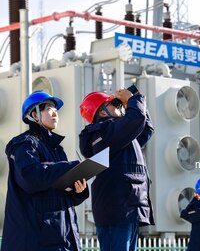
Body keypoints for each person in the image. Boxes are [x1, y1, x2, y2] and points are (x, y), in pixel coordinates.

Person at [1, 91, 89, 251]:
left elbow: (59, 191)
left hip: (62, 239)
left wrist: (77, 191)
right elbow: (31, 177)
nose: (55, 112)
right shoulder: (24, 144)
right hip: (35, 241)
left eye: (56, 109)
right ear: (34, 115)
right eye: (48, 108)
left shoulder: (57, 150)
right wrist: (71, 167)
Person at [78, 88, 154, 251]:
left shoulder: (119, 135)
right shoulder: (103, 133)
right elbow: (136, 119)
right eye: (114, 103)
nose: (119, 106)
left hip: (128, 208)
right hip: (116, 211)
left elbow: (146, 129)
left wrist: (133, 103)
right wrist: (133, 100)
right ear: (103, 113)